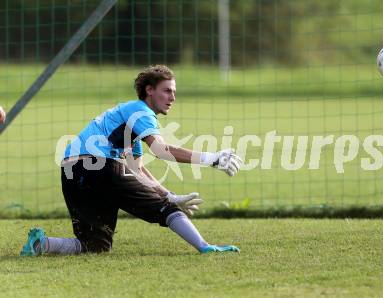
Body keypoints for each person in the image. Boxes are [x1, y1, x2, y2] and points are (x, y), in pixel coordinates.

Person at [20, 65, 242, 256]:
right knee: (163, 209)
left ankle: (41, 244)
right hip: (97, 166)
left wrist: (169, 194)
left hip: (72, 172)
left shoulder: (128, 116)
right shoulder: (141, 111)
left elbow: (137, 168)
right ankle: (204, 246)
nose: (172, 98)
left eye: (174, 92)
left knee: (95, 245)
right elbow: (161, 150)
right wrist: (211, 158)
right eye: (167, 91)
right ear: (149, 90)